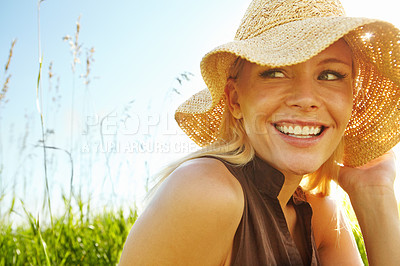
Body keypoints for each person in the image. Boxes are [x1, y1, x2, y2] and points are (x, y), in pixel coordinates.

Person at [119, 0, 400, 265]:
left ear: (352, 98)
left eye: (330, 75)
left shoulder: (320, 213)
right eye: (275, 72)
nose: (305, 98)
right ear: (235, 100)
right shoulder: (206, 191)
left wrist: (374, 193)